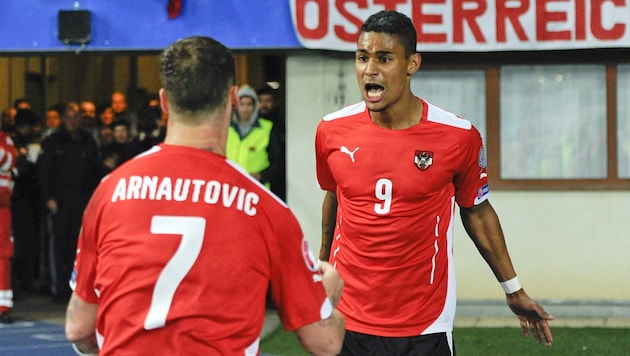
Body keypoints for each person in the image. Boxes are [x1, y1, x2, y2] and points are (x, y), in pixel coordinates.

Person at [65, 36, 345, 355]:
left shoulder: (110, 190)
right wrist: (329, 298)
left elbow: (79, 329)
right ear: (233, 98)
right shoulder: (266, 208)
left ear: (165, 102)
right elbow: (326, 342)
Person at [315, 10, 554, 355]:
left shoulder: (458, 136)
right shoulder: (330, 131)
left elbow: (477, 212)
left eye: (384, 58)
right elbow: (334, 197)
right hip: (348, 317)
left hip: (426, 322)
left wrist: (512, 288)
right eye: (362, 57)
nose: (370, 69)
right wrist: (321, 270)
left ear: (412, 64)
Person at [38, 104, 102, 302]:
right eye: (68, 117)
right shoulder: (53, 141)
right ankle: (58, 288)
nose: (72, 121)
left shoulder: (87, 140)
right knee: (59, 246)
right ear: (63, 119)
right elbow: (44, 172)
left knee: (80, 246)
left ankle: (78, 287)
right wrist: (48, 197)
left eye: (75, 117)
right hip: (60, 202)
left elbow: (94, 171)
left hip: (82, 202)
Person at [226, 85, 285, 198]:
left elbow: (277, 161)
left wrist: (262, 176)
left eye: (249, 104)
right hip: (231, 188)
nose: (245, 109)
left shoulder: (267, 128)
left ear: (255, 106)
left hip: (257, 189)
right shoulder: (226, 129)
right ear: (236, 106)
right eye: (242, 104)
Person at [0, 116, 18, 323]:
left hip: (2, 207)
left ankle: (2, 305)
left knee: (3, 255)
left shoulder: (5, 140)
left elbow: (9, 160)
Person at [257, 85, 286, 201]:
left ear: (275, 102)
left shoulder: (280, 126)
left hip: (277, 181)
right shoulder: (250, 127)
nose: (264, 105)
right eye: (261, 101)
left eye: (268, 100)